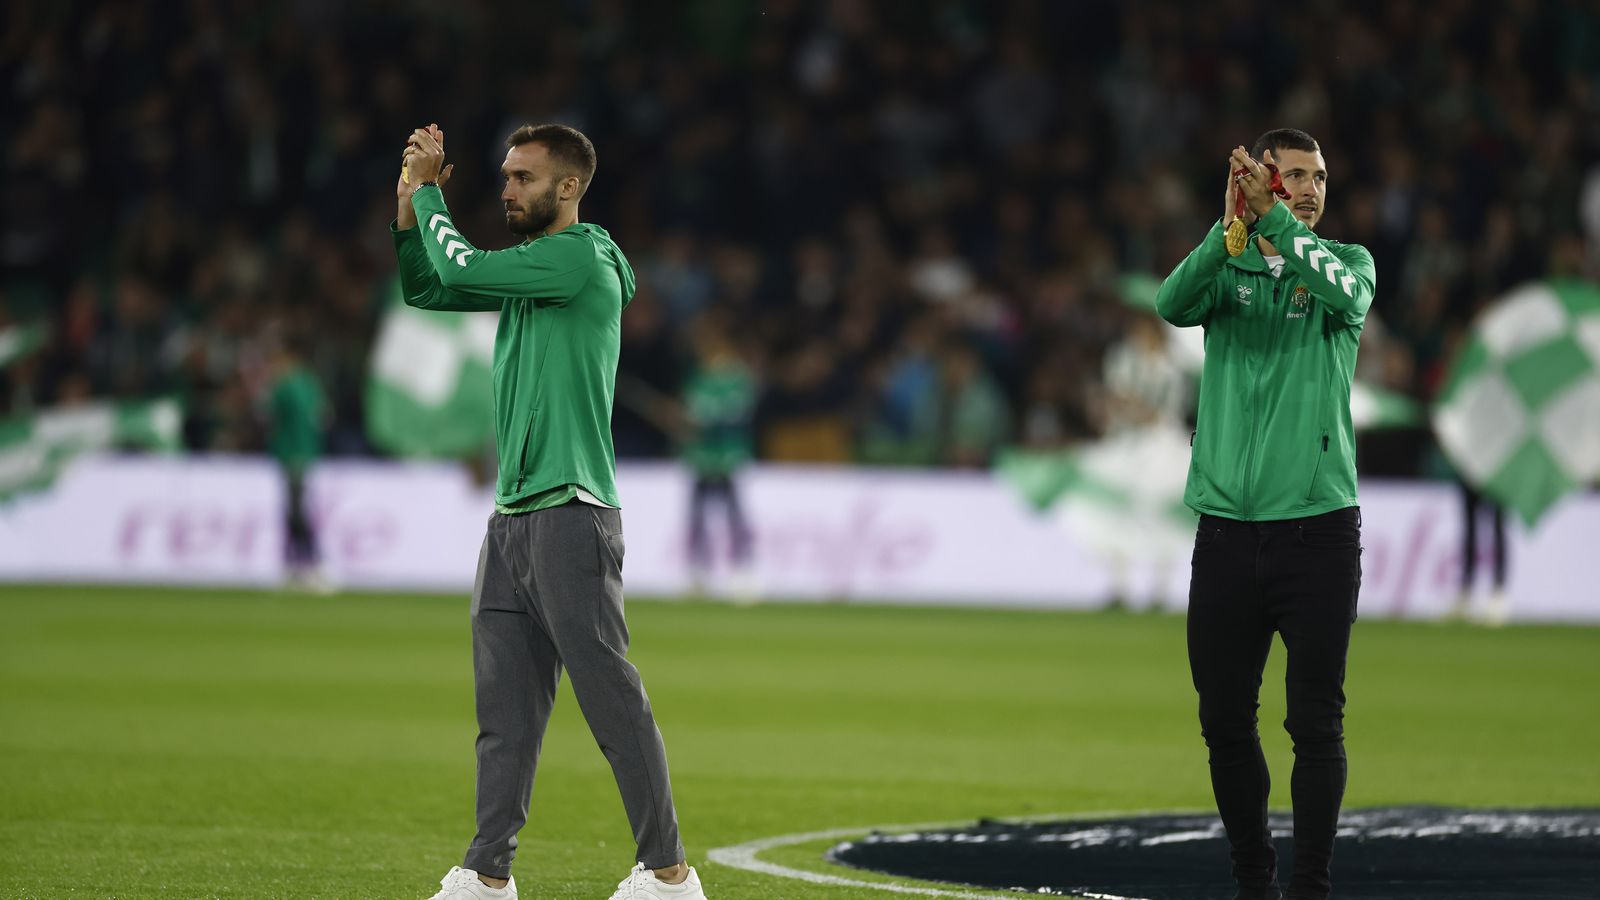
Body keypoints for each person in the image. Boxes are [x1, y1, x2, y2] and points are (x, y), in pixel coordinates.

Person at [392, 122, 708, 900]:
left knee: (610, 700)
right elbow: (429, 286)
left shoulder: (576, 257)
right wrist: (408, 206)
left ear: (568, 187)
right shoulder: (535, 269)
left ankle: (669, 876)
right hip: (512, 516)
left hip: (571, 511)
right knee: (505, 716)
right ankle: (487, 874)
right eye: (505, 176)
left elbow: (458, 260)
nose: (506, 190)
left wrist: (431, 191)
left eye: (523, 178)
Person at [1155, 128, 1375, 900]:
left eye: (1319, 176)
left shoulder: (1347, 265)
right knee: (1223, 721)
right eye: (1294, 176)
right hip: (1224, 535)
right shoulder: (1231, 264)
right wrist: (1229, 232)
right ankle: (1255, 880)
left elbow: (1344, 295)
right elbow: (1170, 301)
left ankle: (1309, 888)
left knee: (1315, 725)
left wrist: (1272, 222)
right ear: (1265, 182)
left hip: (1317, 532)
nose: (1312, 188)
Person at [679, 317, 759, 601]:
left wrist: (704, 416)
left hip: (728, 457)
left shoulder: (737, 377)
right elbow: (690, 413)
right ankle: (698, 572)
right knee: (698, 517)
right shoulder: (699, 376)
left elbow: (736, 411)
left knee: (734, 516)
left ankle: (743, 571)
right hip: (702, 458)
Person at [262, 330, 330, 592]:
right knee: (295, 511)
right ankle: (298, 565)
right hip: (306, 452)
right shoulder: (310, 383)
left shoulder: (284, 386)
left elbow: (269, 415)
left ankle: (310, 564)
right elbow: (323, 416)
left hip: (291, 454)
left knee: (296, 512)